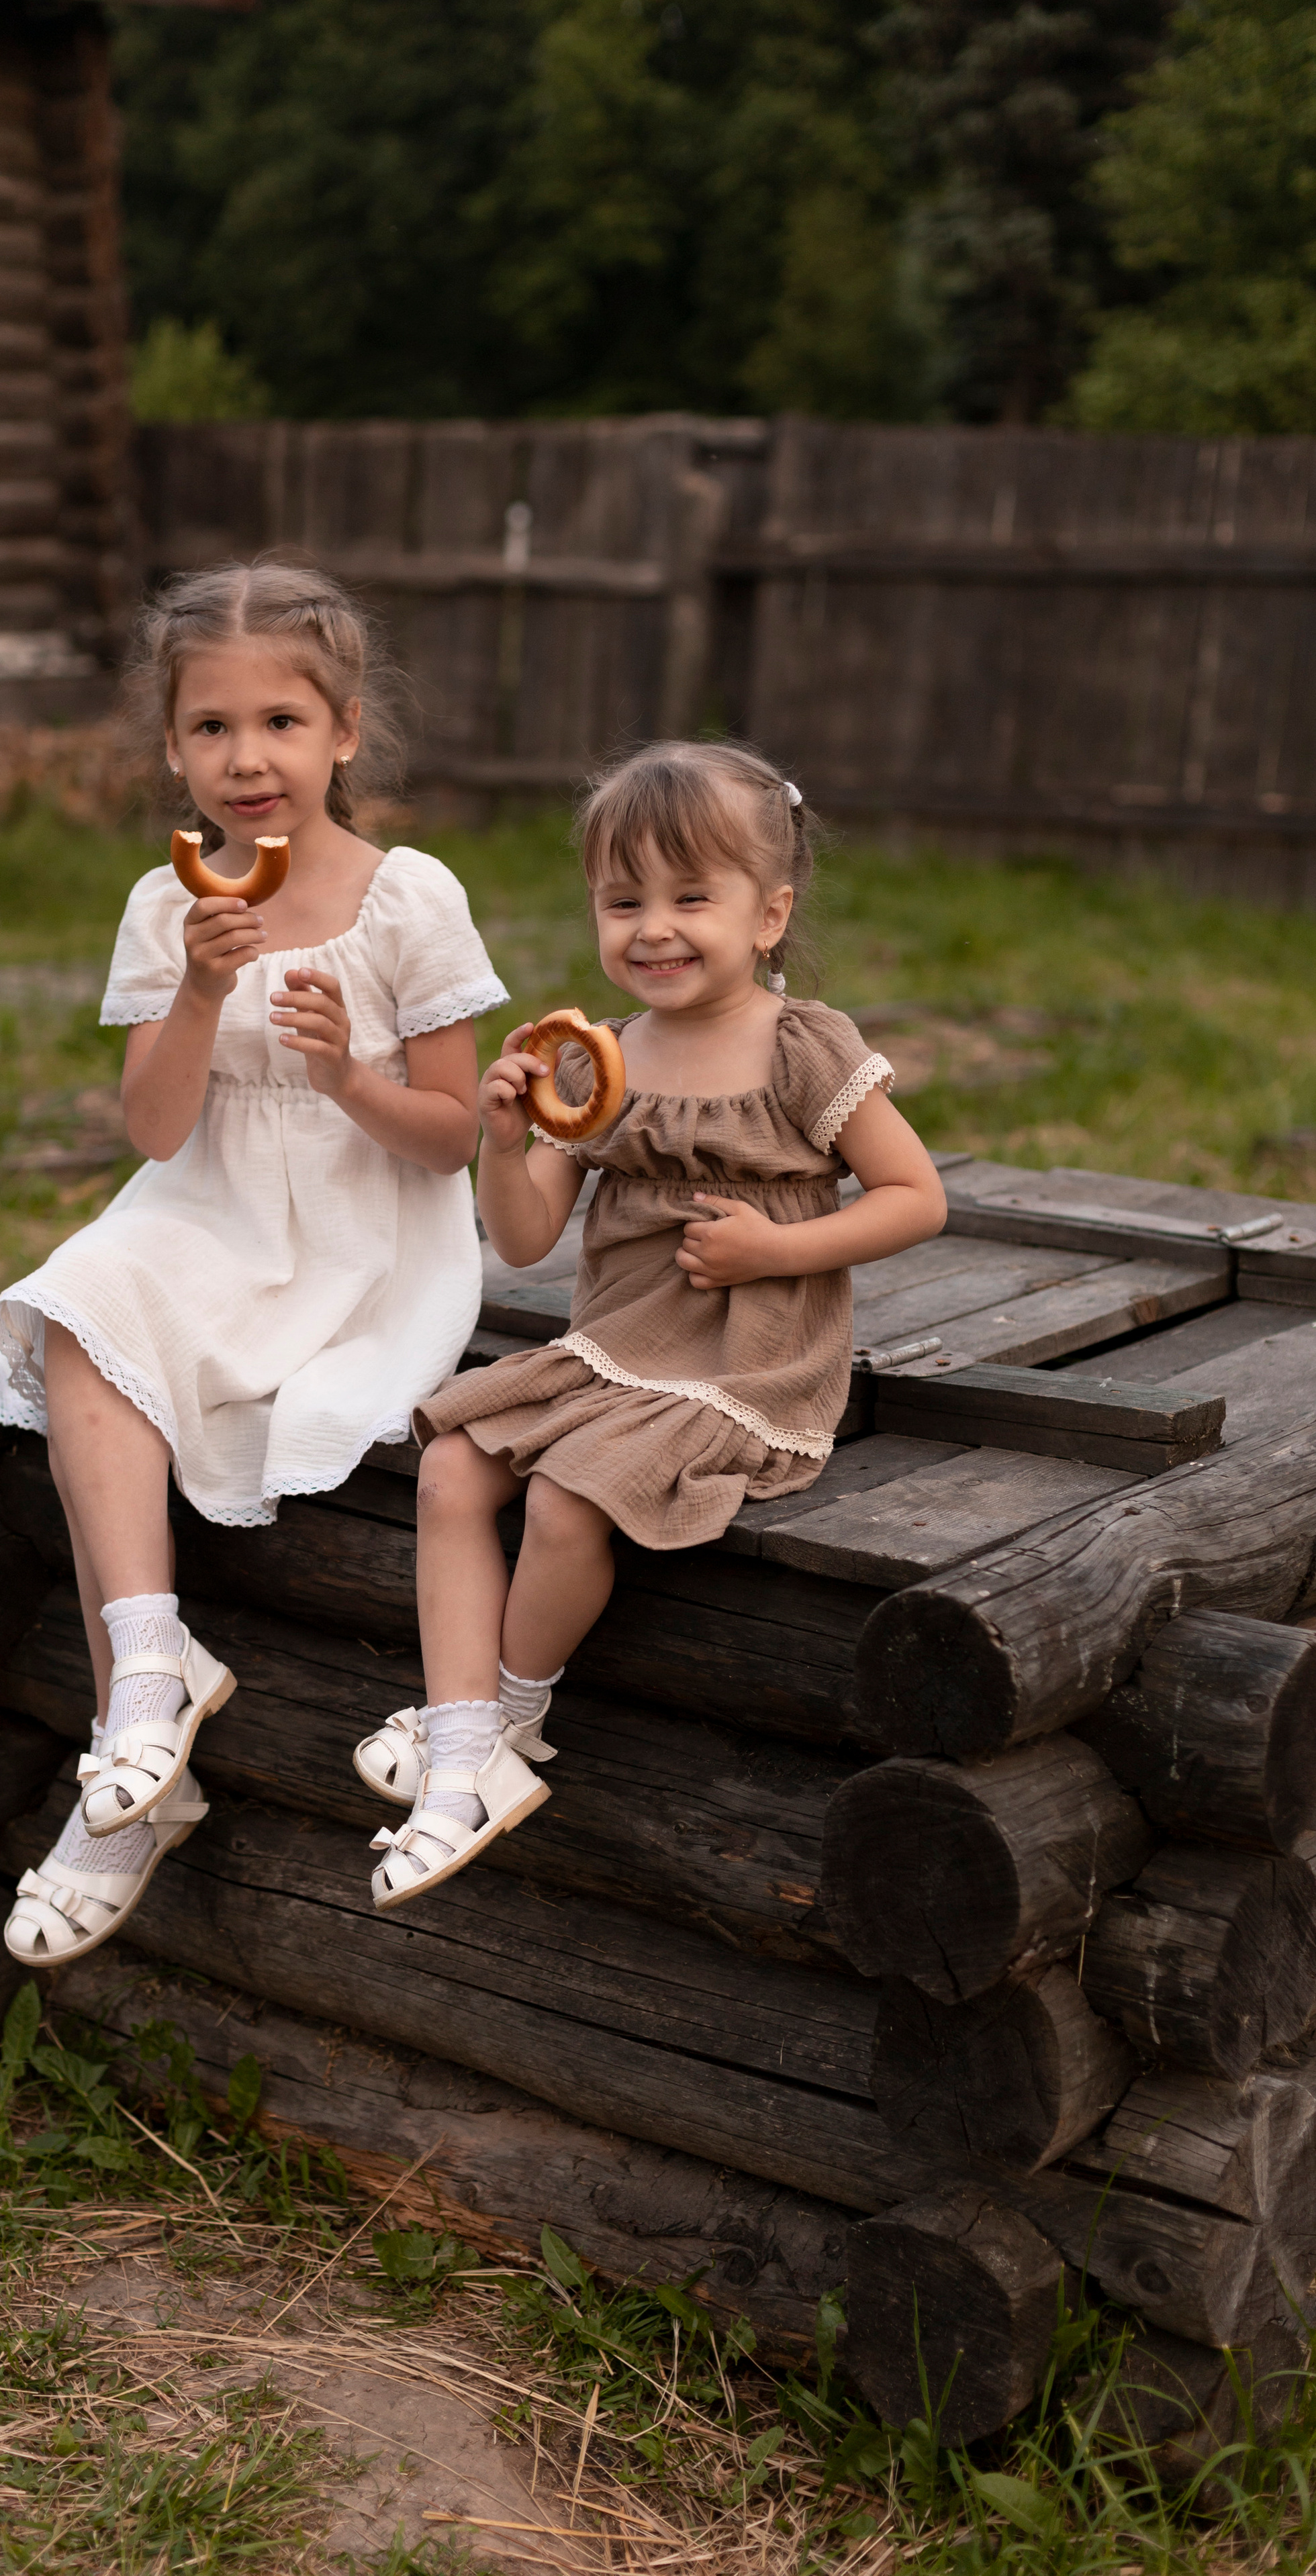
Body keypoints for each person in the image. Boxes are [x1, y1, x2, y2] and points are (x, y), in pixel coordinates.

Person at [0, 562, 508, 1964]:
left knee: (114, 1330)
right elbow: (152, 1127)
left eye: (279, 722)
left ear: (341, 733)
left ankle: (131, 1792)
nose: (245, 758)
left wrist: (345, 1077)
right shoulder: (171, 903)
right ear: (170, 746)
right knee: (82, 1305)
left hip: (360, 1242)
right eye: (211, 727)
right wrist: (205, 986)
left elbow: (450, 1140)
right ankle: (149, 1677)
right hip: (203, 1213)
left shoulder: (408, 898)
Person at [357, 739, 947, 1910]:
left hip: (742, 1364)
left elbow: (917, 1199)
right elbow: (524, 1239)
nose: (654, 928)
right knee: (452, 1470)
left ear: (769, 915)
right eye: (624, 901)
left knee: (576, 1494)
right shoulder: (601, 1060)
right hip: (613, 1346)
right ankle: (465, 1732)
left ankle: (507, 1724)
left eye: (692, 898)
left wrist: (775, 1250)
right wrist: (509, 1138)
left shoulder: (802, 1047)